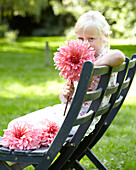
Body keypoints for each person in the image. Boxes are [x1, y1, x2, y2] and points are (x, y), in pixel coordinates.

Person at [1, 11, 125, 150]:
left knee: (20, 128)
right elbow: (71, 98)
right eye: (80, 38)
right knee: (16, 125)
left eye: (91, 38)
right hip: (71, 115)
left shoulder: (103, 57)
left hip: (77, 122)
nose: (85, 44)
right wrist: (65, 94)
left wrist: (90, 68)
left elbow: (119, 55)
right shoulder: (82, 59)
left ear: (105, 37)